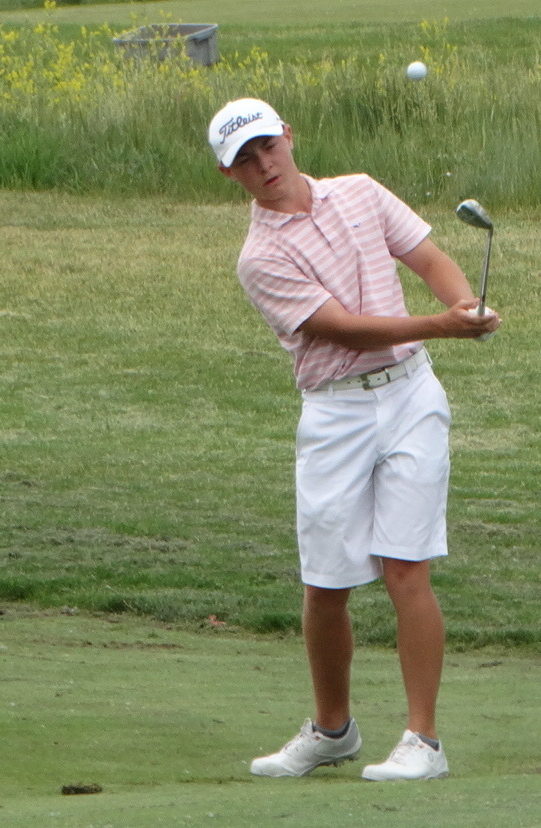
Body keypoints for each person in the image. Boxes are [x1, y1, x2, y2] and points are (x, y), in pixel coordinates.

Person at [208, 98, 500, 782]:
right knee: (326, 584)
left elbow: (427, 256)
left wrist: (465, 305)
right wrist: (440, 326)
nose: (262, 166)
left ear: (287, 136)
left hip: (410, 397)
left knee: (406, 566)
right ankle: (333, 730)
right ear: (230, 176)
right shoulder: (260, 257)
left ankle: (422, 741)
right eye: (244, 162)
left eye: (265, 148)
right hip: (335, 411)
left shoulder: (361, 192)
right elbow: (341, 327)